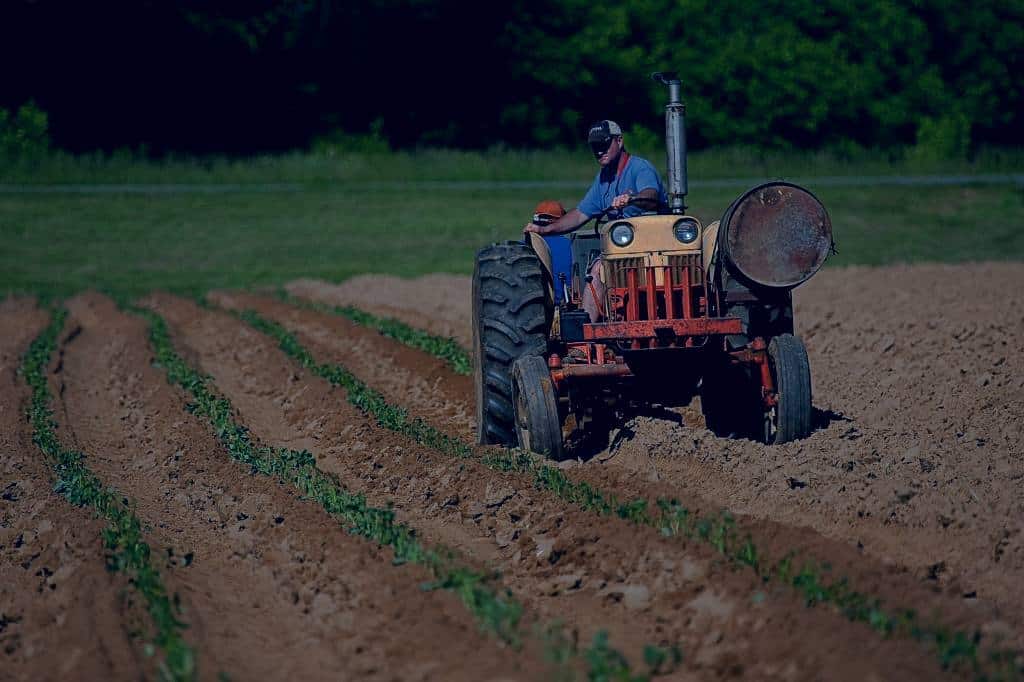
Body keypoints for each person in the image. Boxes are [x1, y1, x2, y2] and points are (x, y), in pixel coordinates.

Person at [524, 120, 667, 322]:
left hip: (655, 246)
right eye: (595, 147)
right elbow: (580, 214)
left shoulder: (640, 168)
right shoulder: (603, 179)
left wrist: (632, 199)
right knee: (597, 271)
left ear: (619, 140)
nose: (599, 151)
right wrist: (546, 230)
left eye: (604, 145)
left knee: (601, 267)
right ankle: (585, 336)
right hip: (622, 252)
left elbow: (651, 196)